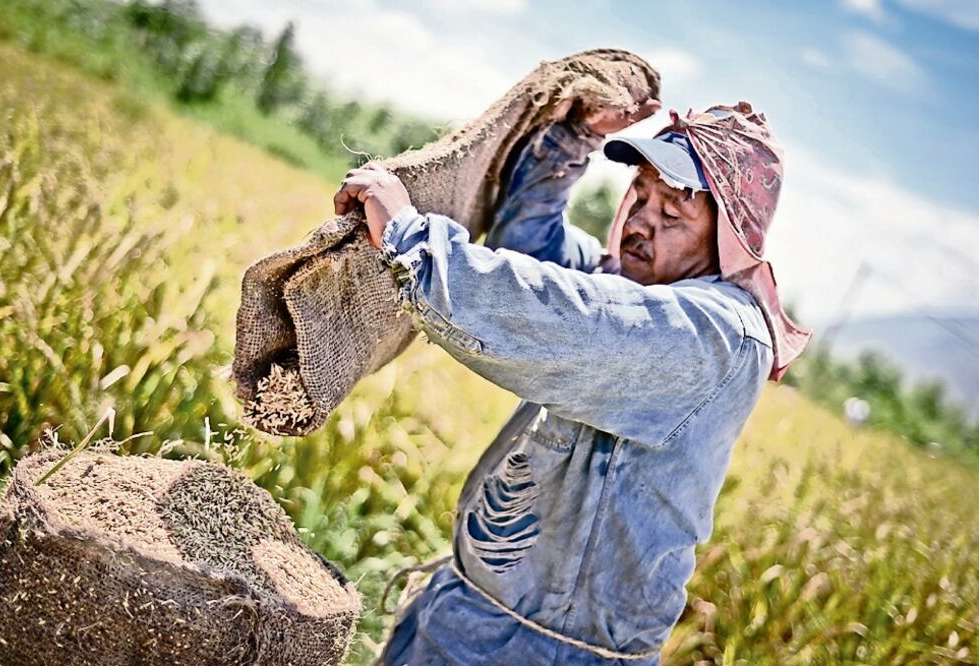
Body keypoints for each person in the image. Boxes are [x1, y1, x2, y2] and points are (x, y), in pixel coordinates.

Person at [333, 100, 812, 665]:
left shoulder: (715, 334)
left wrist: (411, 237)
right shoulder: (629, 281)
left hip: (544, 652)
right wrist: (571, 137)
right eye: (641, 194)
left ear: (728, 238)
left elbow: (561, 317)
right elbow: (525, 248)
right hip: (469, 618)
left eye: (673, 214)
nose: (639, 222)